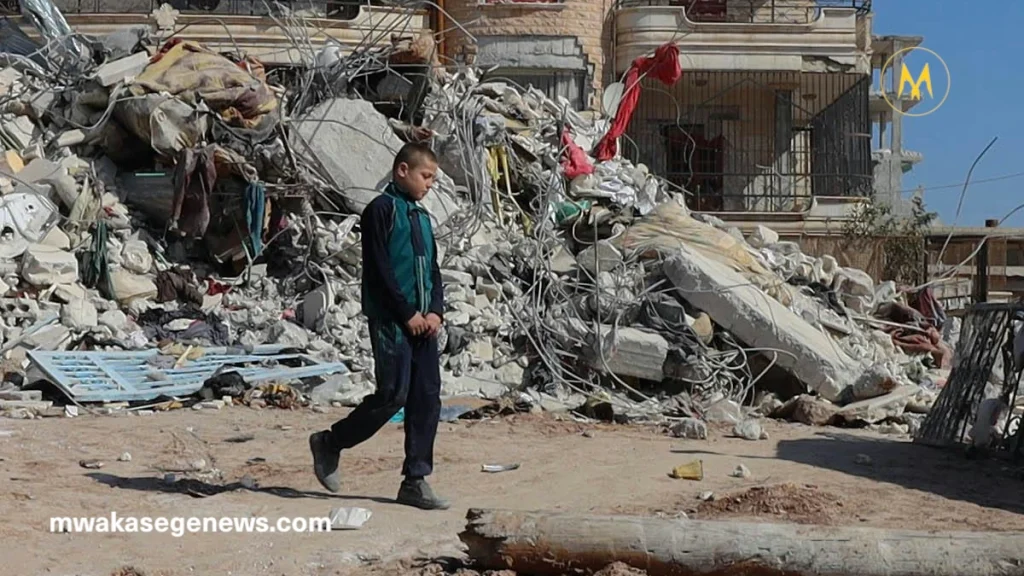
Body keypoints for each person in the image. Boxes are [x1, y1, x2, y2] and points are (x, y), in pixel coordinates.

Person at [308, 141, 449, 510]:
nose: (429, 184)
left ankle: (415, 480)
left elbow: (433, 270)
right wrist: (408, 315)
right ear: (402, 171)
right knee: (393, 395)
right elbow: (380, 271)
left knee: (426, 398)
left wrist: (435, 311)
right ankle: (330, 442)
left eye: (433, 178)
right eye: (425, 176)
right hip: (393, 321)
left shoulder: (420, 218)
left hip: (425, 324)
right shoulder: (380, 211)